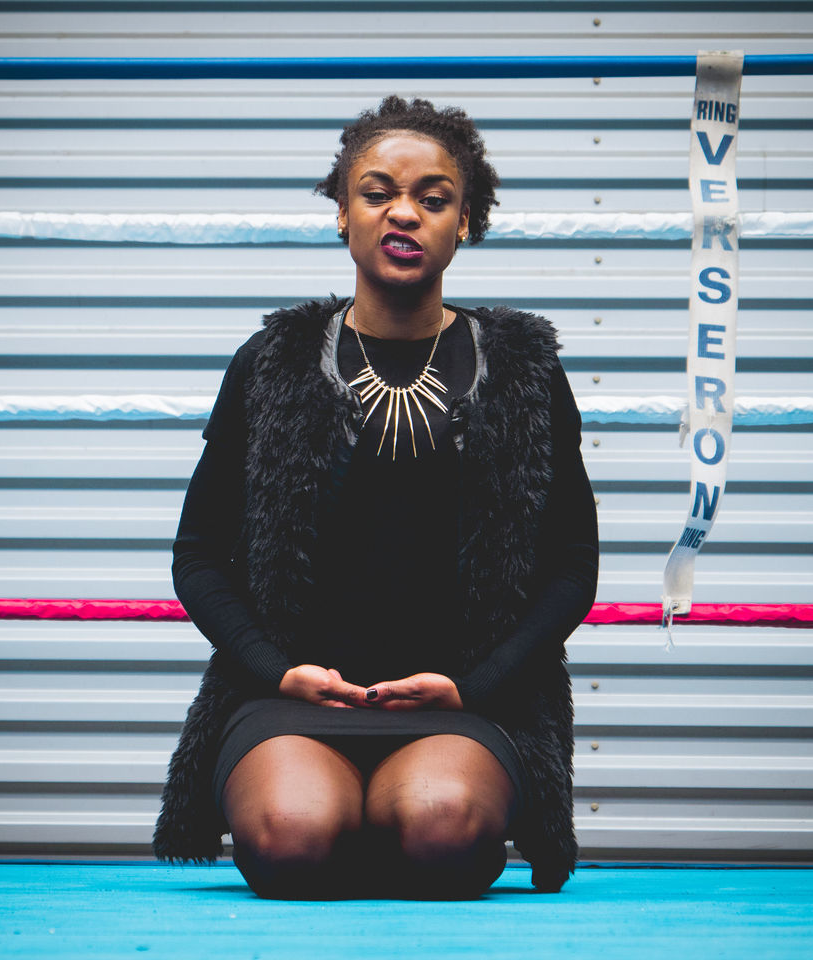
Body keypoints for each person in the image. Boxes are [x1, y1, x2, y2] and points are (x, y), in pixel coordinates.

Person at [153, 95, 599, 899]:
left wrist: (477, 685)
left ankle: (386, 827)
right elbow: (197, 556)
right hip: (288, 701)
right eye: (378, 191)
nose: (404, 212)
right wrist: (277, 670)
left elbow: (572, 566)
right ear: (342, 212)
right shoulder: (273, 362)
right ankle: (339, 825)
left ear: (465, 223)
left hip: (464, 705)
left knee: (445, 828)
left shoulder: (524, 369)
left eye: (434, 198)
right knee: (290, 838)